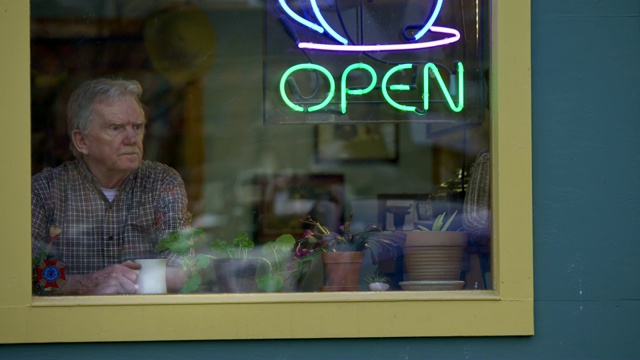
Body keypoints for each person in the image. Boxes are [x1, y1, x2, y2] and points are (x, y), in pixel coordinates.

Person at [32, 78, 189, 295]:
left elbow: (182, 264)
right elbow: (25, 274)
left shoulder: (161, 182)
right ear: (81, 142)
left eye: (137, 127)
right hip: (70, 324)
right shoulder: (45, 191)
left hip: (148, 321)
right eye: (116, 128)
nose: (132, 138)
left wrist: (126, 280)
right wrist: (89, 283)